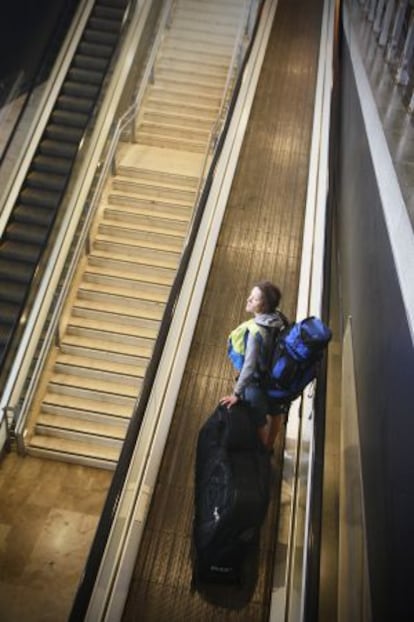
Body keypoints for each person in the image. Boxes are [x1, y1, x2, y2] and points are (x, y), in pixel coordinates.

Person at [220, 280, 290, 451]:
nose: (248, 299)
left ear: (264, 305)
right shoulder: (279, 318)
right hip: (278, 378)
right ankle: (271, 444)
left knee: (258, 419)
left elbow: (249, 367)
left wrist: (236, 393)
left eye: (254, 299)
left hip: (258, 383)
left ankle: (264, 449)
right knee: (276, 413)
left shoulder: (256, 332)